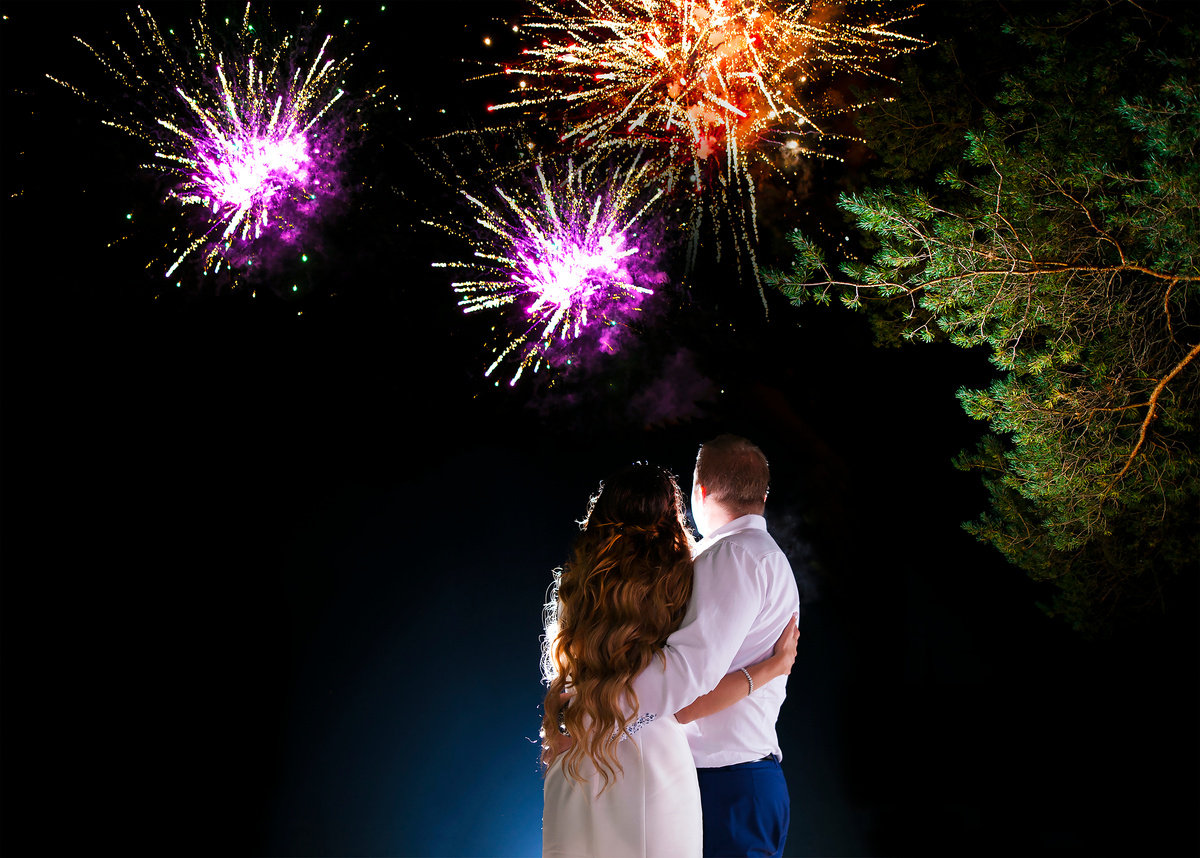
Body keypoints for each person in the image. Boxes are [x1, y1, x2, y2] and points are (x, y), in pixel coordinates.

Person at [541, 462, 799, 858]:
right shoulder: (683, 578)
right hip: (648, 758)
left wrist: (565, 719)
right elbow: (682, 686)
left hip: (578, 752)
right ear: (670, 520)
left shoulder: (580, 585)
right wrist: (771, 667)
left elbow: (571, 680)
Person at [631, 435, 801, 858]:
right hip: (742, 782)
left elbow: (684, 693)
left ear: (699, 490)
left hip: (726, 783)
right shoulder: (765, 556)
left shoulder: (732, 557)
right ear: (763, 494)